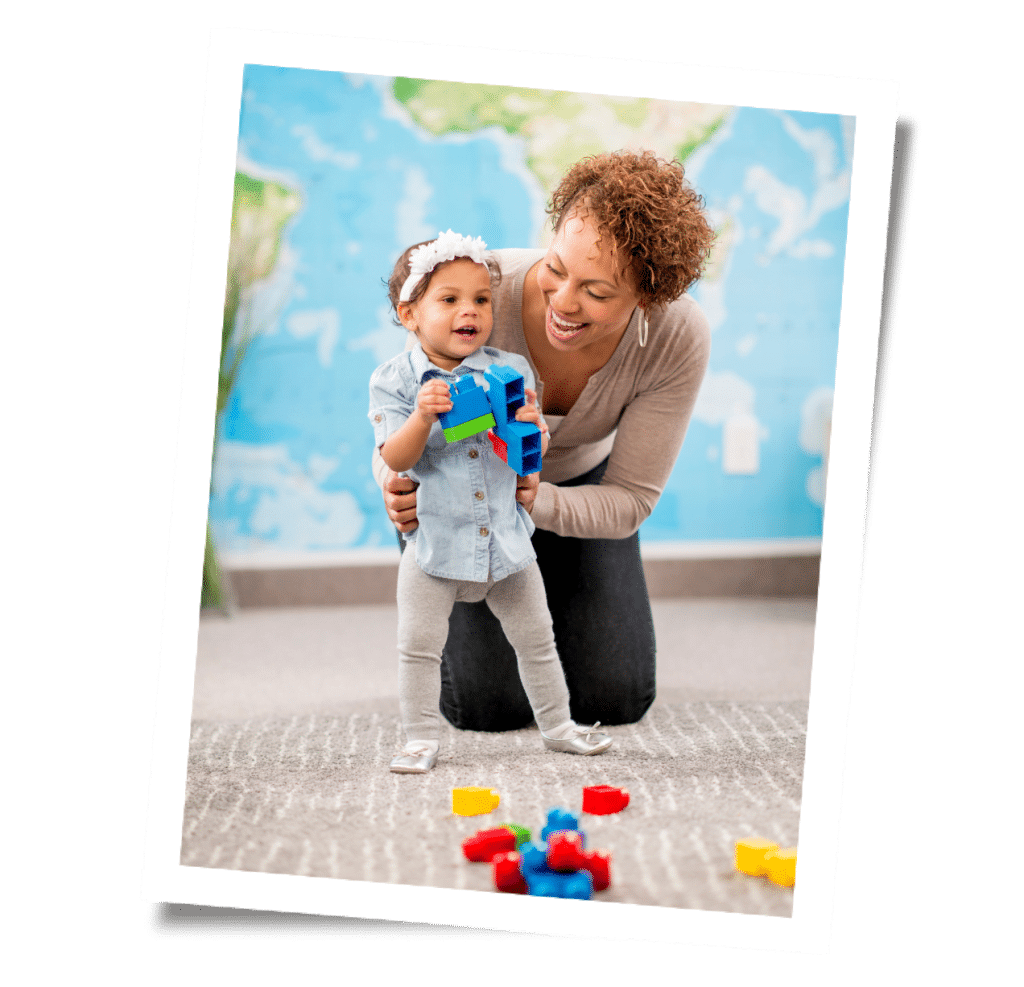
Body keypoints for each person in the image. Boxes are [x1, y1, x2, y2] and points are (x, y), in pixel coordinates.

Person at [376, 151, 714, 734]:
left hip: (573, 493)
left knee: (617, 695)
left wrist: (535, 500)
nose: (562, 301)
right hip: (462, 494)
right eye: (557, 267)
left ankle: (550, 583)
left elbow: (630, 499)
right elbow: (401, 406)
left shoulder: (675, 335)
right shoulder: (479, 292)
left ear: (648, 297)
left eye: (598, 292)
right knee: (487, 707)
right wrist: (393, 484)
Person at [369, 230, 613, 773]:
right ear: (410, 315)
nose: (470, 311)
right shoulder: (396, 381)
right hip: (434, 546)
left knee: (538, 639)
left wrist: (535, 432)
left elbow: (528, 457)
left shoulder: (509, 370)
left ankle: (558, 726)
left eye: (480, 299)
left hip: (505, 540)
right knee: (419, 646)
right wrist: (424, 416)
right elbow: (398, 457)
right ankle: (418, 738)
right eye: (449, 299)